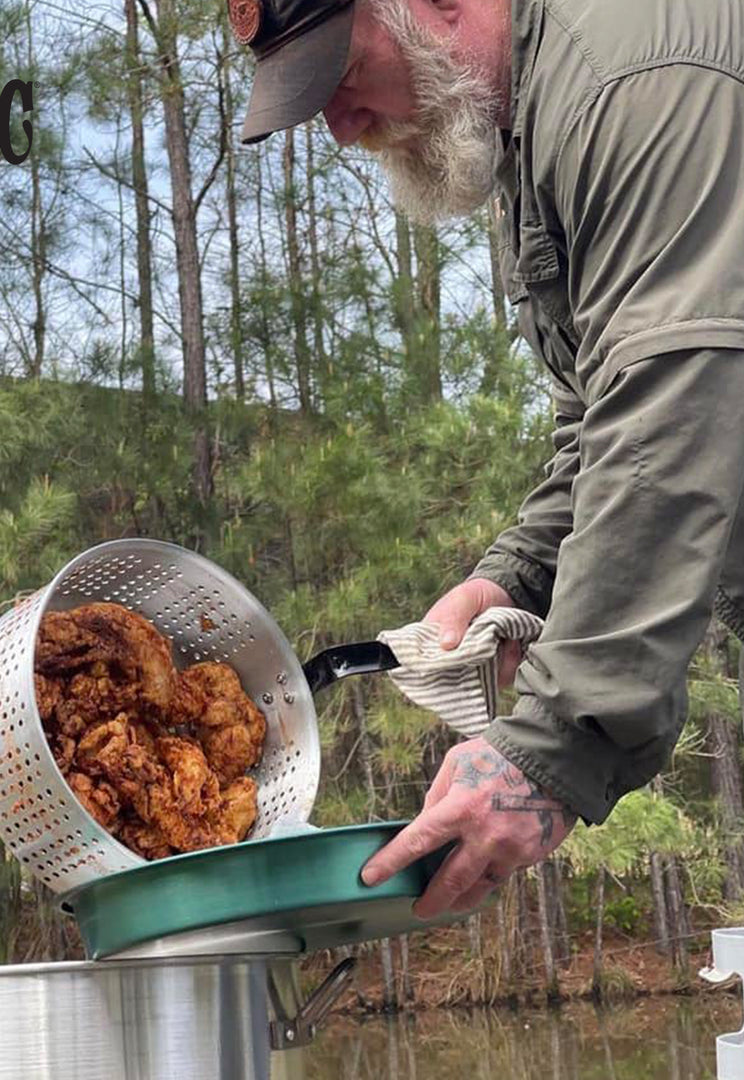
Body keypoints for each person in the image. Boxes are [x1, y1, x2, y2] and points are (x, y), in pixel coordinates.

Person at [230, 0, 744, 918]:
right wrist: (514, 581)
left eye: (341, 76)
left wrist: (550, 749)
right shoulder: (531, 125)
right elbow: (602, 421)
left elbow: (682, 398)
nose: (343, 129)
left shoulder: (631, 74)